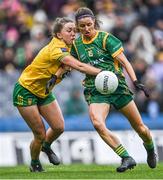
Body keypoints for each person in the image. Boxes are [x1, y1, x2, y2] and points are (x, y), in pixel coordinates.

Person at [70, 7, 157, 172]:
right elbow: (70, 63)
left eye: (89, 24)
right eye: (83, 26)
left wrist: (136, 81)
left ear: (94, 22)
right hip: (95, 90)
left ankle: (150, 146)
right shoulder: (76, 44)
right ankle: (126, 157)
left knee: (140, 128)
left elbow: (125, 62)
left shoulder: (105, 39)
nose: (87, 29)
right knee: (97, 123)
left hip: (117, 87)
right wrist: (56, 76)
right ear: (77, 26)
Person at [13, 17, 102, 172]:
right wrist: (104, 73)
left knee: (59, 127)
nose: (73, 33)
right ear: (59, 35)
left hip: (44, 91)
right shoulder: (57, 49)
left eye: (74, 30)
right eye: (69, 30)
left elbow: (66, 65)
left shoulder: (70, 45)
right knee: (40, 134)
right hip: (26, 90)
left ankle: (46, 147)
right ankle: (34, 163)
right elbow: (79, 66)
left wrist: (57, 74)